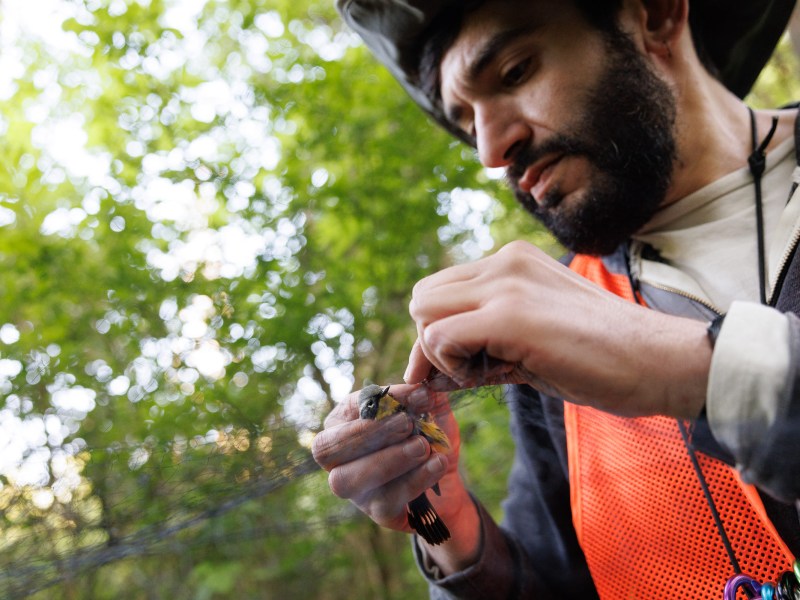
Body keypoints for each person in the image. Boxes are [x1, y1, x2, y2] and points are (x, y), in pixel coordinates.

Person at [312, 0, 800, 597]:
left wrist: (695, 371)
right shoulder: (548, 333)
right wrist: (439, 522)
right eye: (467, 124)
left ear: (656, 16)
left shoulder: (561, 325)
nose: (490, 150)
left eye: (515, 72)